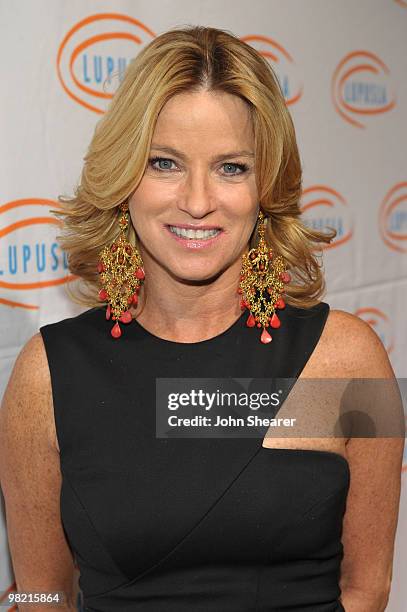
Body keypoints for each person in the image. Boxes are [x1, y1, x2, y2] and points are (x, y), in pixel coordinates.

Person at [0, 25, 404, 612]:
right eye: (164, 162)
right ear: (124, 177)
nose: (196, 200)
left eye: (231, 168)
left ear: (266, 184)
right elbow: (40, 594)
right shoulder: (49, 375)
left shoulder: (342, 358)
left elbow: (368, 588)